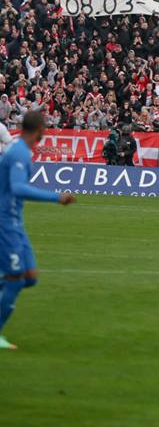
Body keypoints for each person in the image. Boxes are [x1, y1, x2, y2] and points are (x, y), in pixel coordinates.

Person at [0, 111, 76, 350]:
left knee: (30, 276)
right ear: (40, 129)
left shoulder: (19, 149)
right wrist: (57, 197)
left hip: (15, 222)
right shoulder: (19, 152)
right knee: (15, 279)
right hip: (5, 222)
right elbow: (18, 188)